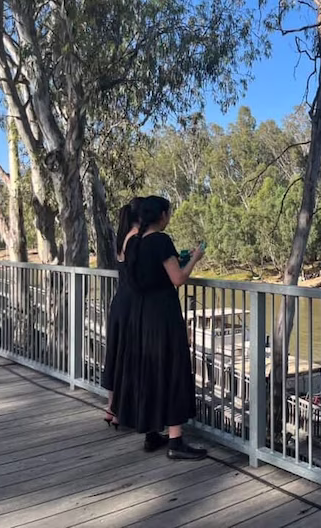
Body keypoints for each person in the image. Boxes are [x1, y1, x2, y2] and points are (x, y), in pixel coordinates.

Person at [111, 195, 207, 459]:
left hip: (141, 316)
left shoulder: (134, 243)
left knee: (150, 371)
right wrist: (195, 258)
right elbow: (178, 278)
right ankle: (176, 441)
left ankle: (152, 433)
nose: (169, 217)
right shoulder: (161, 241)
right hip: (163, 315)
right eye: (169, 213)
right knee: (172, 369)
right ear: (162, 215)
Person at [102, 197, 143, 428]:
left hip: (119, 302)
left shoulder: (121, 238)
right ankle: (122, 410)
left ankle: (111, 407)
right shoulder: (136, 239)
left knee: (115, 354)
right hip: (132, 304)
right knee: (127, 356)